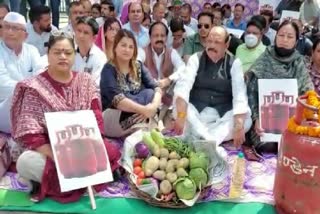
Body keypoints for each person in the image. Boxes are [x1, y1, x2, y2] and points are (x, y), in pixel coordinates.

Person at [12, 31, 121, 203]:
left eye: (68, 52)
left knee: (111, 151)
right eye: (57, 52)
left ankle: (60, 181)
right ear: (48, 56)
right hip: (51, 151)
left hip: (84, 147)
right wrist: (62, 157)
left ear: (74, 56)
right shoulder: (35, 88)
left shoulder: (86, 82)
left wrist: (85, 153)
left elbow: (97, 120)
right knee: (25, 163)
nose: (63, 57)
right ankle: (85, 179)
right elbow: (31, 134)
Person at [174, 26, 252, 148]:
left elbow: (239, 94)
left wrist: (238, 124)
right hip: (197, 113)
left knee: (246, 121)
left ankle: (202, 139)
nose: (212, 46)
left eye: (217, 42)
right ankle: (210, 142)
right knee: (178, 109)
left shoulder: (234, 63)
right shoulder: (196, 58)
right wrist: (181, 116)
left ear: (227, 44)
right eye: (209, 41)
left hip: (222, 115)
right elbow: (183, 87)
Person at [246, 20, 314, 152]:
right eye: (281, 35)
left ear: (296, 41)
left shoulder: (298, 62)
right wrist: (256, 119)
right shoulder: (265, 58)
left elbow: (307, 92)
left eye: (290, 37)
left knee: (293, 146)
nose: (284, 40)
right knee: (267, 146)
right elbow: (251, 92)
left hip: (292, 121)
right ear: (275, 37)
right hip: (264, 121)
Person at [100, 29, 162, 137]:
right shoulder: (108, 69)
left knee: (149, 93)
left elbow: (156, 88)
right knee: (126, 98)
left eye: (131, 47)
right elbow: (117, 100)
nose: (127, 50)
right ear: (115, 47)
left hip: (141, 114)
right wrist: (143, 110)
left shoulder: (138, 66)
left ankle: (144, 124)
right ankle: (146, 124)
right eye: (123, 45)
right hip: (116, 116)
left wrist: (152, 107)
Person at [0, 12, 41, 134]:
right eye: (6, 27)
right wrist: (30, 88)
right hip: (3, 106)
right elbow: (3, 85)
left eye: (15, 28)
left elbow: (41, 74)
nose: (9, 32)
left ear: (25, 35)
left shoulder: (32, 51)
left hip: (31, 102)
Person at [73, 17, 106, 84]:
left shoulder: (100, 57)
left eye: (86, 33)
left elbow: (96, 85)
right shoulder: (68, 52)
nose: (81, 35)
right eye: (79, 31)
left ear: (94, 38)